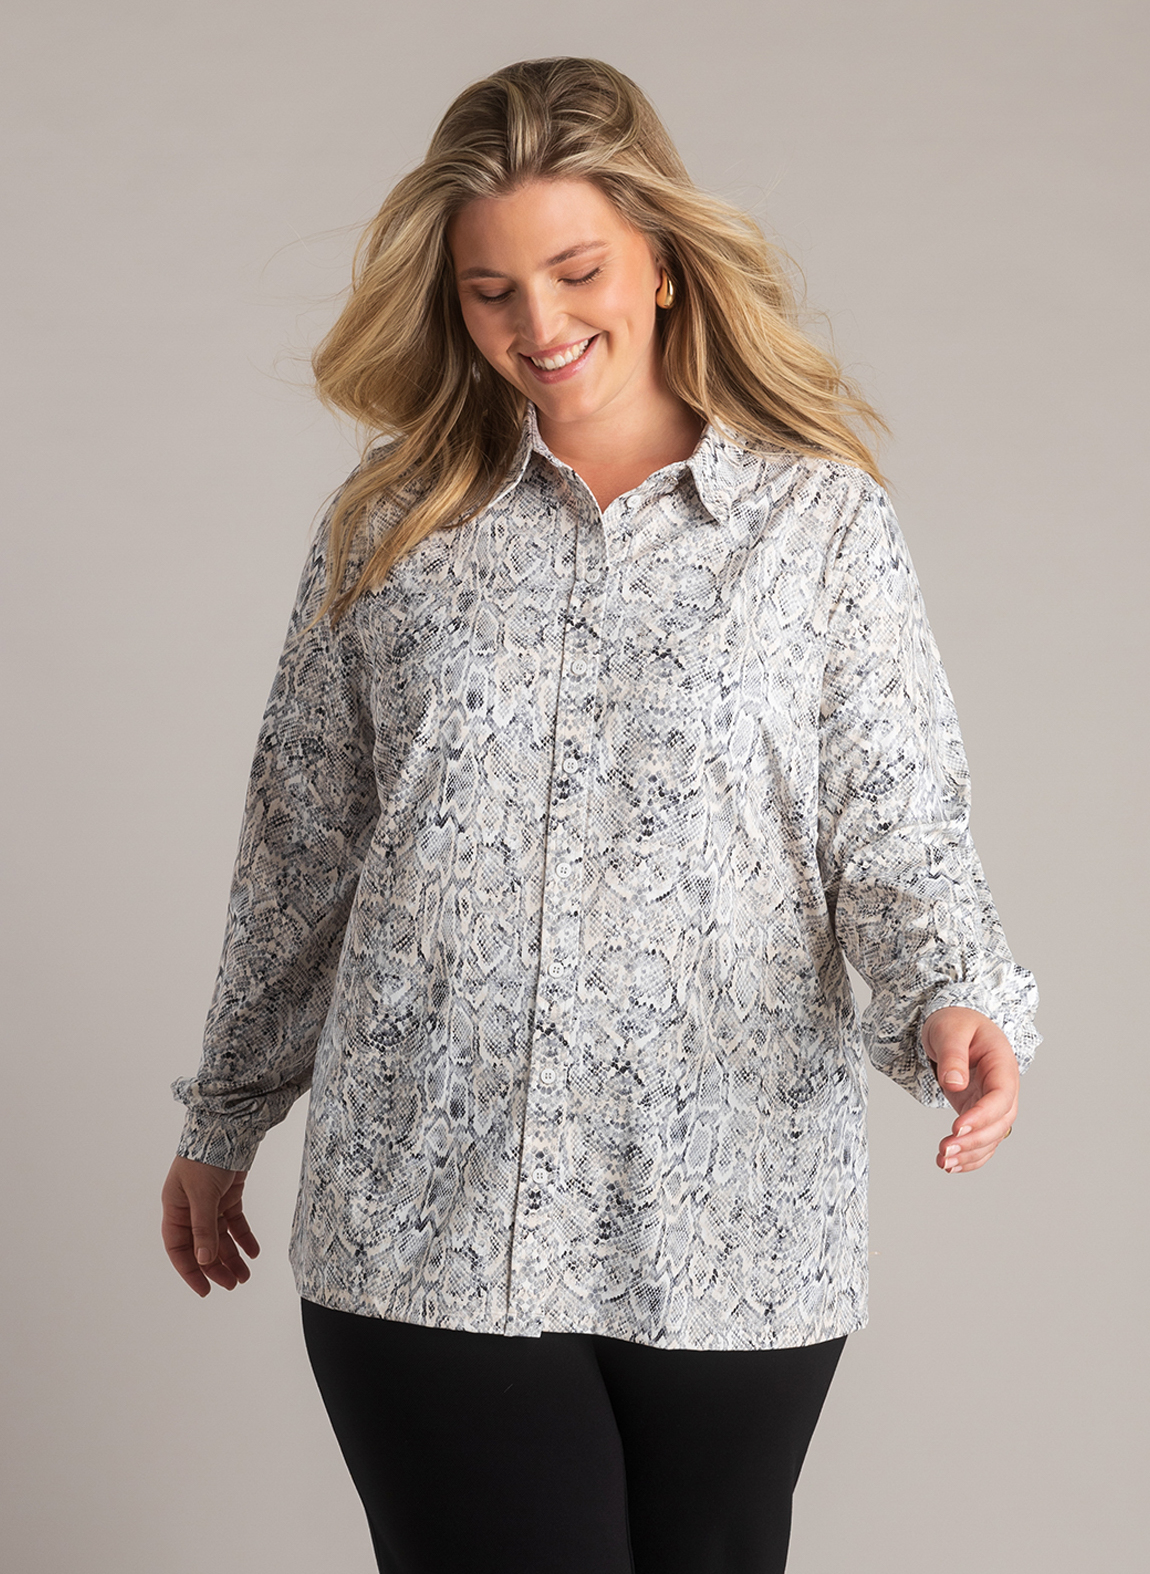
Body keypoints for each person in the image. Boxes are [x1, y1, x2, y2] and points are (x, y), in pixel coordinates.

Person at [161, 56, 1039, 1574]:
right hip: (427, 1208)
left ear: (665, 260)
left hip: (733, 1218)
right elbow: (300, 842)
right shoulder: (388, 524)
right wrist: (225, 1112)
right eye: (491, 289)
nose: (539, 323)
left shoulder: (820, 523)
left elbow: (893, 821)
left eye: (576, 272)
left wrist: (950, 996)